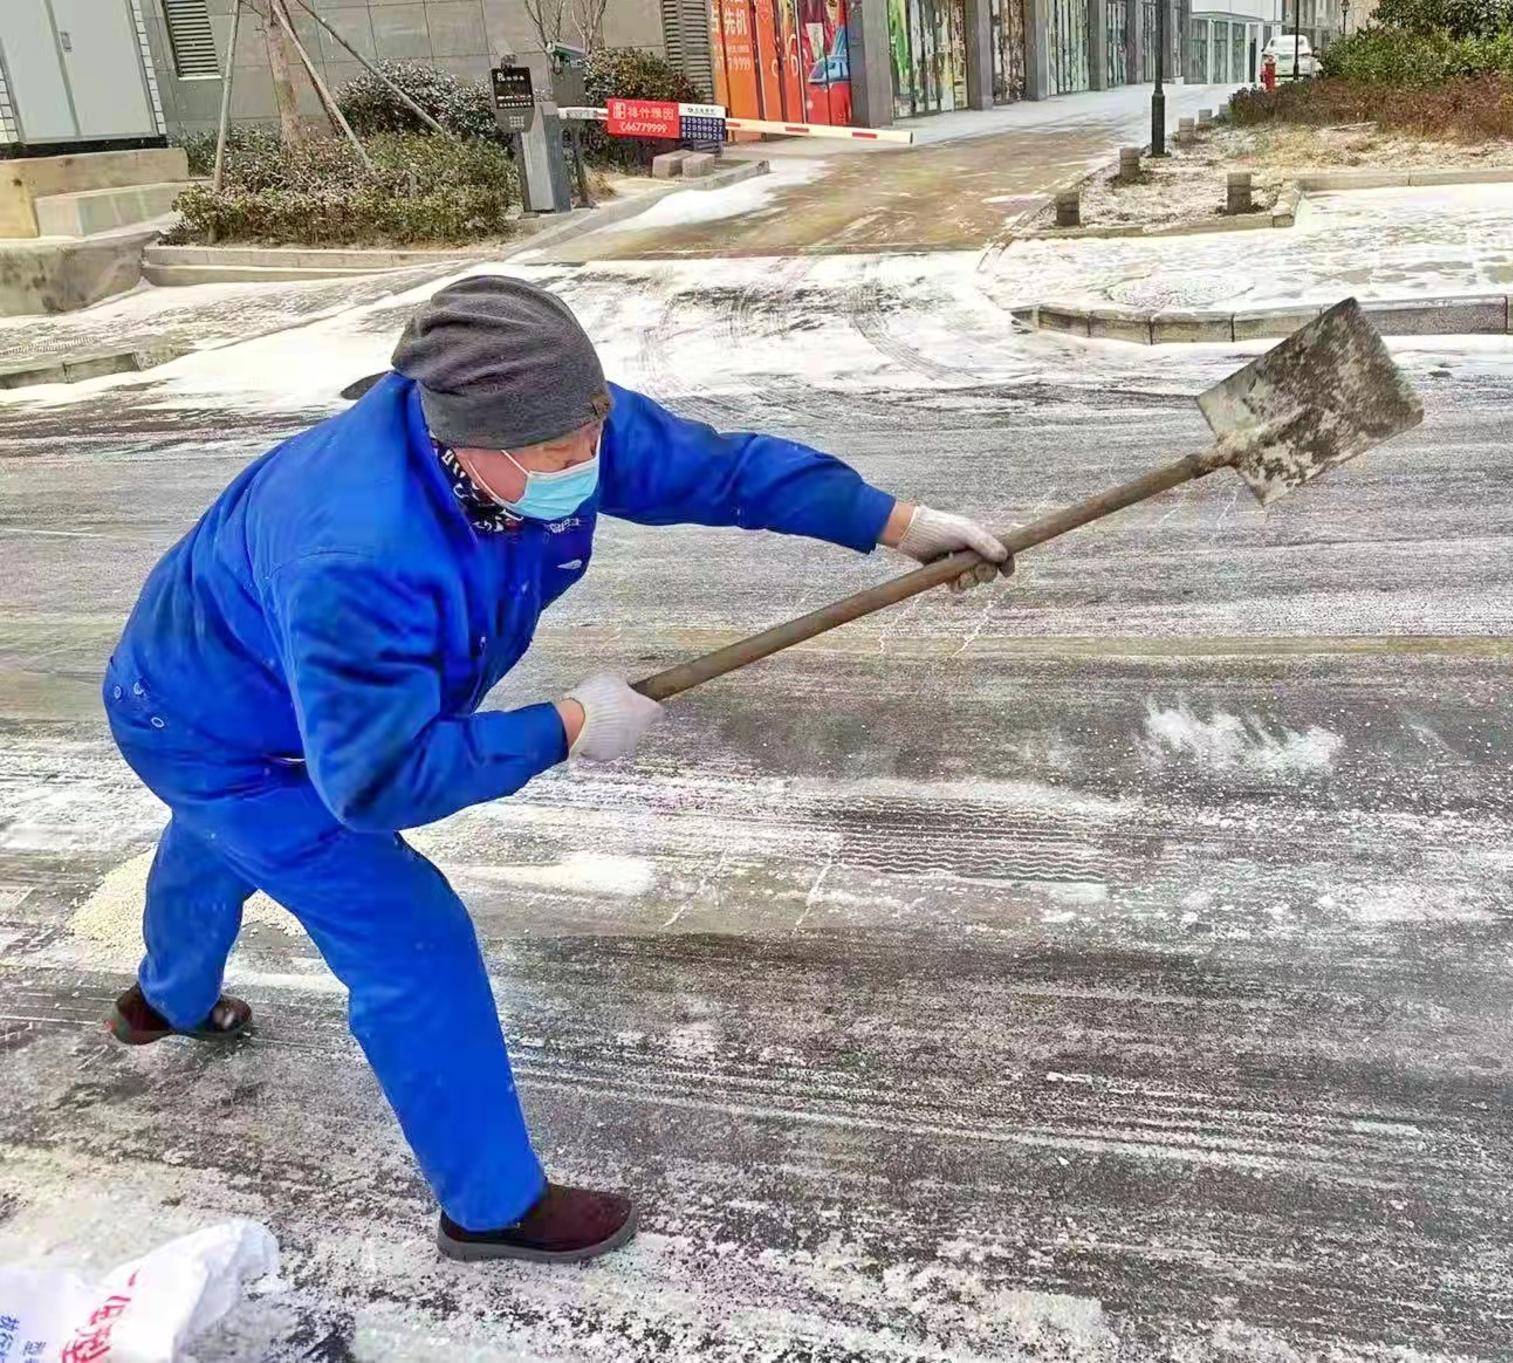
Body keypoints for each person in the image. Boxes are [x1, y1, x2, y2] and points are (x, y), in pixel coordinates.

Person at [100, 275, 1011, 1265]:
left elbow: (718, 471)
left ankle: (164, 1001)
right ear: (459, 433)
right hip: (210, 730)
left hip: (257, 691)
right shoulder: (361, 554)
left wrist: (893, 520)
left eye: (591, 434)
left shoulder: (543, 421)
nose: (584, 463)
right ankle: (489, 1206)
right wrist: (564, 726)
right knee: (404, 930)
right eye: (554, 452)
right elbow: (376, 783)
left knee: (224, 841)